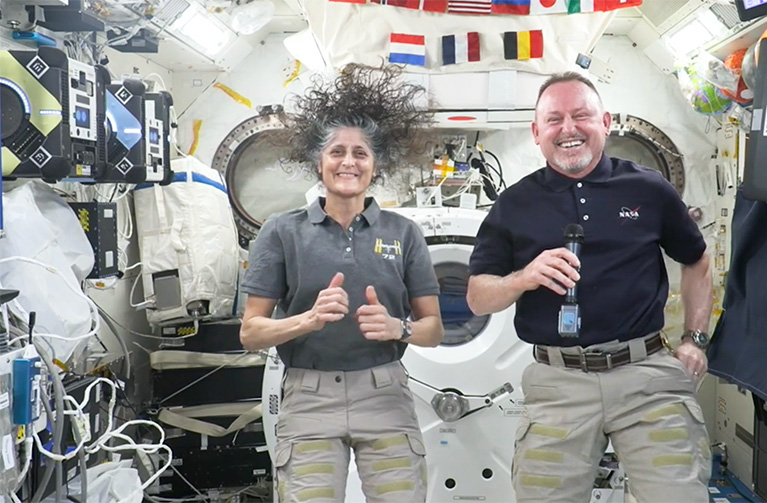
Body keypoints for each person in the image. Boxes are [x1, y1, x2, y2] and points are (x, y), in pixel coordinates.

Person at [466, 72, 713, 503]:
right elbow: (477, 296)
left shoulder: (647, 188)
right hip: (558, 384)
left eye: (581, 115)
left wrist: (694, 339)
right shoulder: (513, 205)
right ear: (536, 132)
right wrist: (524, 278)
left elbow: (698, 259)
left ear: (605, 122)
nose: (569, 129)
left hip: (646, 376)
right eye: (555, 119)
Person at [239, 63, 444, 503]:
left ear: (376, 165)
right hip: (309, 398)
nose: (348, 162)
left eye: (360, 153)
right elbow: (251, 333)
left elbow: (434, 329)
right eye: (336, 151)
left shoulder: (404, 233)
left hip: (384, 393)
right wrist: (306, 321)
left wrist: (399, 328)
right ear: (318, 161)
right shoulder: (281, 231)